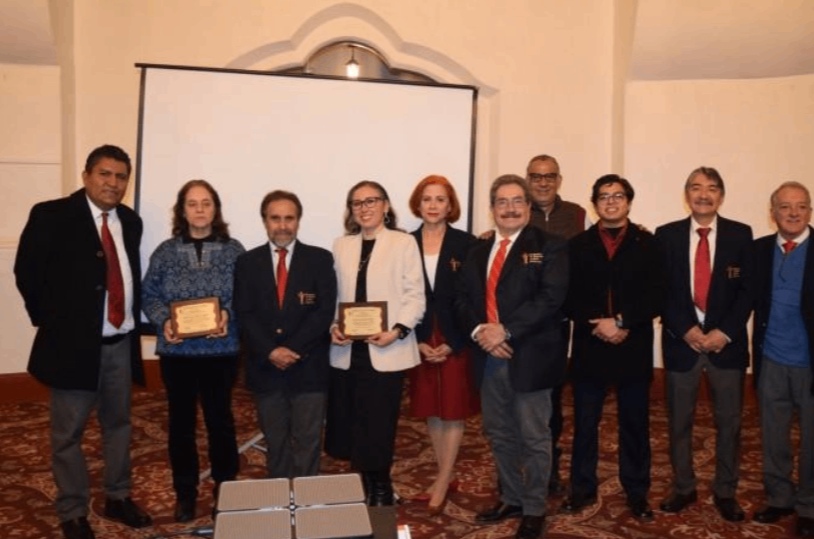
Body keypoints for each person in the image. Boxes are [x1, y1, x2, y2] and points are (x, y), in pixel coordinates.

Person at [14, 145, 152, 539]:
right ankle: (72, 510)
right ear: (87, 175)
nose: (113, 183)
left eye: (121, 176)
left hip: (120, 344)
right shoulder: (52, 215)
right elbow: (27, 272)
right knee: (67, 434)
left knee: (120, 425)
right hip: (72, 346)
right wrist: (53, 322)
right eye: (105, 174)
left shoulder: (130, 220)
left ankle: (118, 496)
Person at [456, 175, 568, 539]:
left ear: (529, 206)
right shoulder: (476, 250)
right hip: (488, 358)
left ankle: (534, 507)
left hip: (530, 357)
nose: (510, 208)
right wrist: (480, 333)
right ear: (492, 208)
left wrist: (505, 330)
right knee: (499, 433)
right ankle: (512, 497)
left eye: (517, 200)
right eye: (502, 202)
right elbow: (463, 301)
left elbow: (551, 300)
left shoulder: (551, 246)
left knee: (535, 436)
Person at [560, 175, 663, 521]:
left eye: (618, 196)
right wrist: (599, 322)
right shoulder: (577, 245)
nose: (611, 202)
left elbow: (657, 294)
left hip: (632, 344)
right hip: (591, 345)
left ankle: (636, 492)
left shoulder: (648, 243)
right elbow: (567, 296)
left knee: (635, 423)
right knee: (585, 423)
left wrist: (621, 321)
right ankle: (581, 490)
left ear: (629, 202)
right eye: (604, 196)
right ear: (595, 204)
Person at [141, 179, 244, 521]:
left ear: (216, 209)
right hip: (178, 354)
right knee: (181, 426)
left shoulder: (234, 250)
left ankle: (225, 490)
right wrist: (163, 321)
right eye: (192, 203)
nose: (199, 209)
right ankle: (185, 492)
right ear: (182, 210)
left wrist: (229, 313)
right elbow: (149, 295)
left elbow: (247, 294)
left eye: (206, 203)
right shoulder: (165, 252)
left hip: (221, 353)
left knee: (221, 423)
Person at [655, 166, 753, 522]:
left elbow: (747, 292)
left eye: (712, 188)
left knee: (729, 422)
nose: (703, 194)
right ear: (687, 194)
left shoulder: (741, 235)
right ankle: (683, 487)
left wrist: (722, 333)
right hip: (683, 345)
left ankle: (725, 491)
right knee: (679, 421)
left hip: (726, 346)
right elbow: (661, 290)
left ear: (721, 196)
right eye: (696, 187)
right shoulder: (665, 235)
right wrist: (686, 330)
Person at [325, 180, 425, 506]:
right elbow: (334, 297)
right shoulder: (341, 245)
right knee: (353, 419)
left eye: (372, 201)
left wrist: (397, 330)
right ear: (350, 210)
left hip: (387, 346)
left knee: (379, 420)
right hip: (347, 348)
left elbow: (415, 296)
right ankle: (365, 482)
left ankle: (380, 484)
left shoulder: (403, 242)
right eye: (357, 203)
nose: (365, 207)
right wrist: (333, 325)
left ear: (385, 205)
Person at [233, 190, 336, 479]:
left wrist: (293, 348)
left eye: (289, 218)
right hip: (265, 367)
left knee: (308, 441)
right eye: (275, 218)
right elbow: (245, 313)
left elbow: (323, 312)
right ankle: (279, 500)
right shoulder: (247, 263)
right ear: (265, 221)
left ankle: (306, 501)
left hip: (309, 366)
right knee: (276, 442)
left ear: (298, 221)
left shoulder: (320, 259)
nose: (282, 225)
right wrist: (271, 351)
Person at [406, 175, 479, 515]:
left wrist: (455, 341)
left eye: (440, 199)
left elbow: (474, 296)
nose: (433, 205)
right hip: (419, 336)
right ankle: (444, 476)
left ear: (451, 206)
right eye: (427, 199)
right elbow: (400, 294)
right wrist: (418, 341)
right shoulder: (404, 243)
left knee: (453, 408)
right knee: (431, 408)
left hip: (455, 336)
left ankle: (443, 479)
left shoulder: (468, 244)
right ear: (417, 205)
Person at [751, 181, 814, 538]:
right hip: (771, 358)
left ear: (809, 212)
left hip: (809, 363)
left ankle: (809, 505)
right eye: (785, 206)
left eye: (801, 206)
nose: (793, 213)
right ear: (772, 211)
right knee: (773, 435)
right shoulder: (759, 250)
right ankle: (779, 497)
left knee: (812, 440)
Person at [525, 154, 589, 494]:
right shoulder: (517, 210)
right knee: (519, 395)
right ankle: (521, 461)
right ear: (527, 179)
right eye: (536, 176)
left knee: (552, 395)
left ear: (559, 180)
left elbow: (589, 251)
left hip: (558, 321)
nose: (543, 182)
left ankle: (548, 461)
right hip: (521, 323)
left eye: (549, 176)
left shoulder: (576, 214)